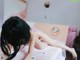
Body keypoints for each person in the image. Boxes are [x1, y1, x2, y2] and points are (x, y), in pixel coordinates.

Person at [1, 16, 77, 60]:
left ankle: (71, 49)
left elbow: (30, 53)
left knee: (46, 45)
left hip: (36, 34)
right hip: (26, 35)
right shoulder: (10, 34)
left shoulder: (32, 34)